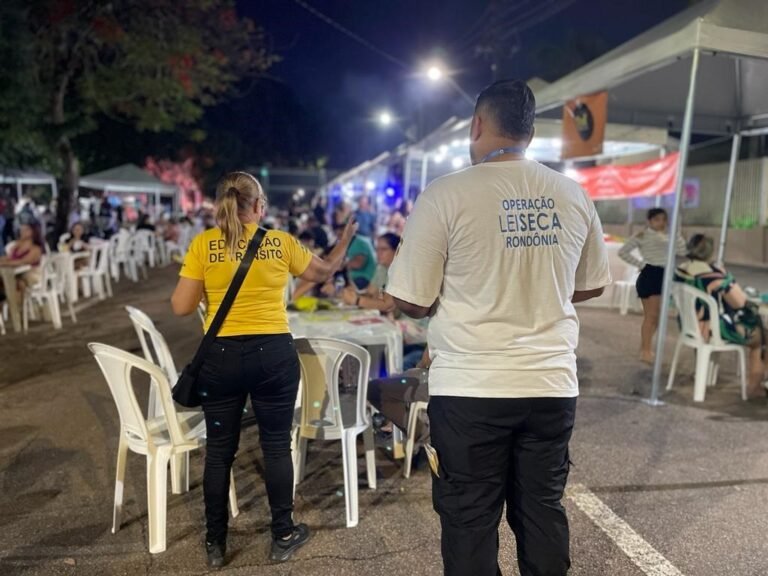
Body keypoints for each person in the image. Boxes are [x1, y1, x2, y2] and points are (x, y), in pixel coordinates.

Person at [385, 79, 612, 576]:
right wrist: (542, 290)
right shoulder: (572, 195)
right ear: (530, 131)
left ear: (477, 124)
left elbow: (409, 299)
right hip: (550, 385)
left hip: (470, 388)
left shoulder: (446, 194)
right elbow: (593, 284)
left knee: (469, 521)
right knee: (542, 512)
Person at [171, 171, 357, 569]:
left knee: (220, 452)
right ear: (258, 207)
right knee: (275, 445)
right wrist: (343, 242)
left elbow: (181, 307)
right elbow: (323, 272)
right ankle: (282, 533)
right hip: (273, 355)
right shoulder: (280, 243)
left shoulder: (204, 244)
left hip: (220, 359)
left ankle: (216, 542)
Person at [674, 234, 766, 398]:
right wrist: (727, 275)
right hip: (708, 329)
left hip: (689, 326)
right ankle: (754, 386)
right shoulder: (713, 276)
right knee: (761, 338)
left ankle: (703, 374)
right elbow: (741, 302)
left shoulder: (681, 269)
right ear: (710, 252)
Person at [619, 208, 687, 364]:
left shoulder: (671, 236)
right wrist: (641, 265)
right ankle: (646, 350)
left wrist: (677, 236)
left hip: (665, 274)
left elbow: (683, 251)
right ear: (649, 221)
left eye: (663, 219)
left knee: (656, 317)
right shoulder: (642, 236)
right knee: (651, 316)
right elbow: (623, 252)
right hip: (651, 274)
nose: (661, 222)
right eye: (657, 219)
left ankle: (645, 346)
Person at [0, 222, 45, 298]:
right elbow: (9, 258)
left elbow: (22, 262)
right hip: (16, 273)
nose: (22, 232)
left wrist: (3, 264)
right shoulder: (17, 246)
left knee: (10, 278)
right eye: (21, 230)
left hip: (30, 274)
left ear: (33, 232)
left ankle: (14, 307)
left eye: (26, 230)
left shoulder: (35, 249)